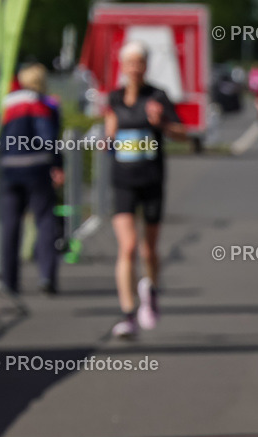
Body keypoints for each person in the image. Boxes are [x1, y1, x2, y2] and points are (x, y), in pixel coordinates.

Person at [105, 41, 187, 338]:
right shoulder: (113, 98)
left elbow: (183, 133)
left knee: (148, 249)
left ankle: (150, 289)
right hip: (123, 181)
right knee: (127, 247)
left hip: (151, 180)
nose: (135, 68)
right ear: (123, 67)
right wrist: (106, 140)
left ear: (145, 66)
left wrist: (162, 122)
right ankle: (128, 314)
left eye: (139, 63)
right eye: (130, 63)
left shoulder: (157, 96)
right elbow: (109, 135)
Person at [0, 63, 63, 294]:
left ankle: (9, 280)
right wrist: (57, 165)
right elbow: (51, 138)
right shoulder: (46, 103)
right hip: (38, 167)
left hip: (9, 167)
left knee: (10, 224)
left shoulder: (6, 102)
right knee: (45, 220)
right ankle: (47, 275)